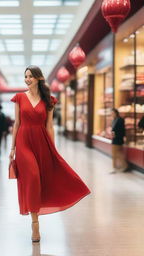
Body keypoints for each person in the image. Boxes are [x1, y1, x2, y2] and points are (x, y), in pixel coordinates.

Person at [9, 65, 90, 243]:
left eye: (30, 76)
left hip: (42, 141)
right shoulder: (19, 98)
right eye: (26, 76)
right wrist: (12, 147)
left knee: (44, 178)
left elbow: (50, 126)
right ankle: (35, 223)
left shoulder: (49, 100)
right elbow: (17, 124)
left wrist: (52, 148)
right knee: (32, 176)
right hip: (24, 142)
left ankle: (37, 215)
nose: (27, 79)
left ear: (38, 78)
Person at [110, 108, 128, 174]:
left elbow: (122, 130)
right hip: (114, 139)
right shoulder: (114, 120)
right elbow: (113, 129)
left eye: (112, 113)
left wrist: (116, 134)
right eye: (111, 113)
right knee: (115, 153)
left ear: (116, 113)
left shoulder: (120, 120)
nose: (111, 114)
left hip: (118, 139)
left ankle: (122, 166)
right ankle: (117, 166)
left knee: (117, 153)